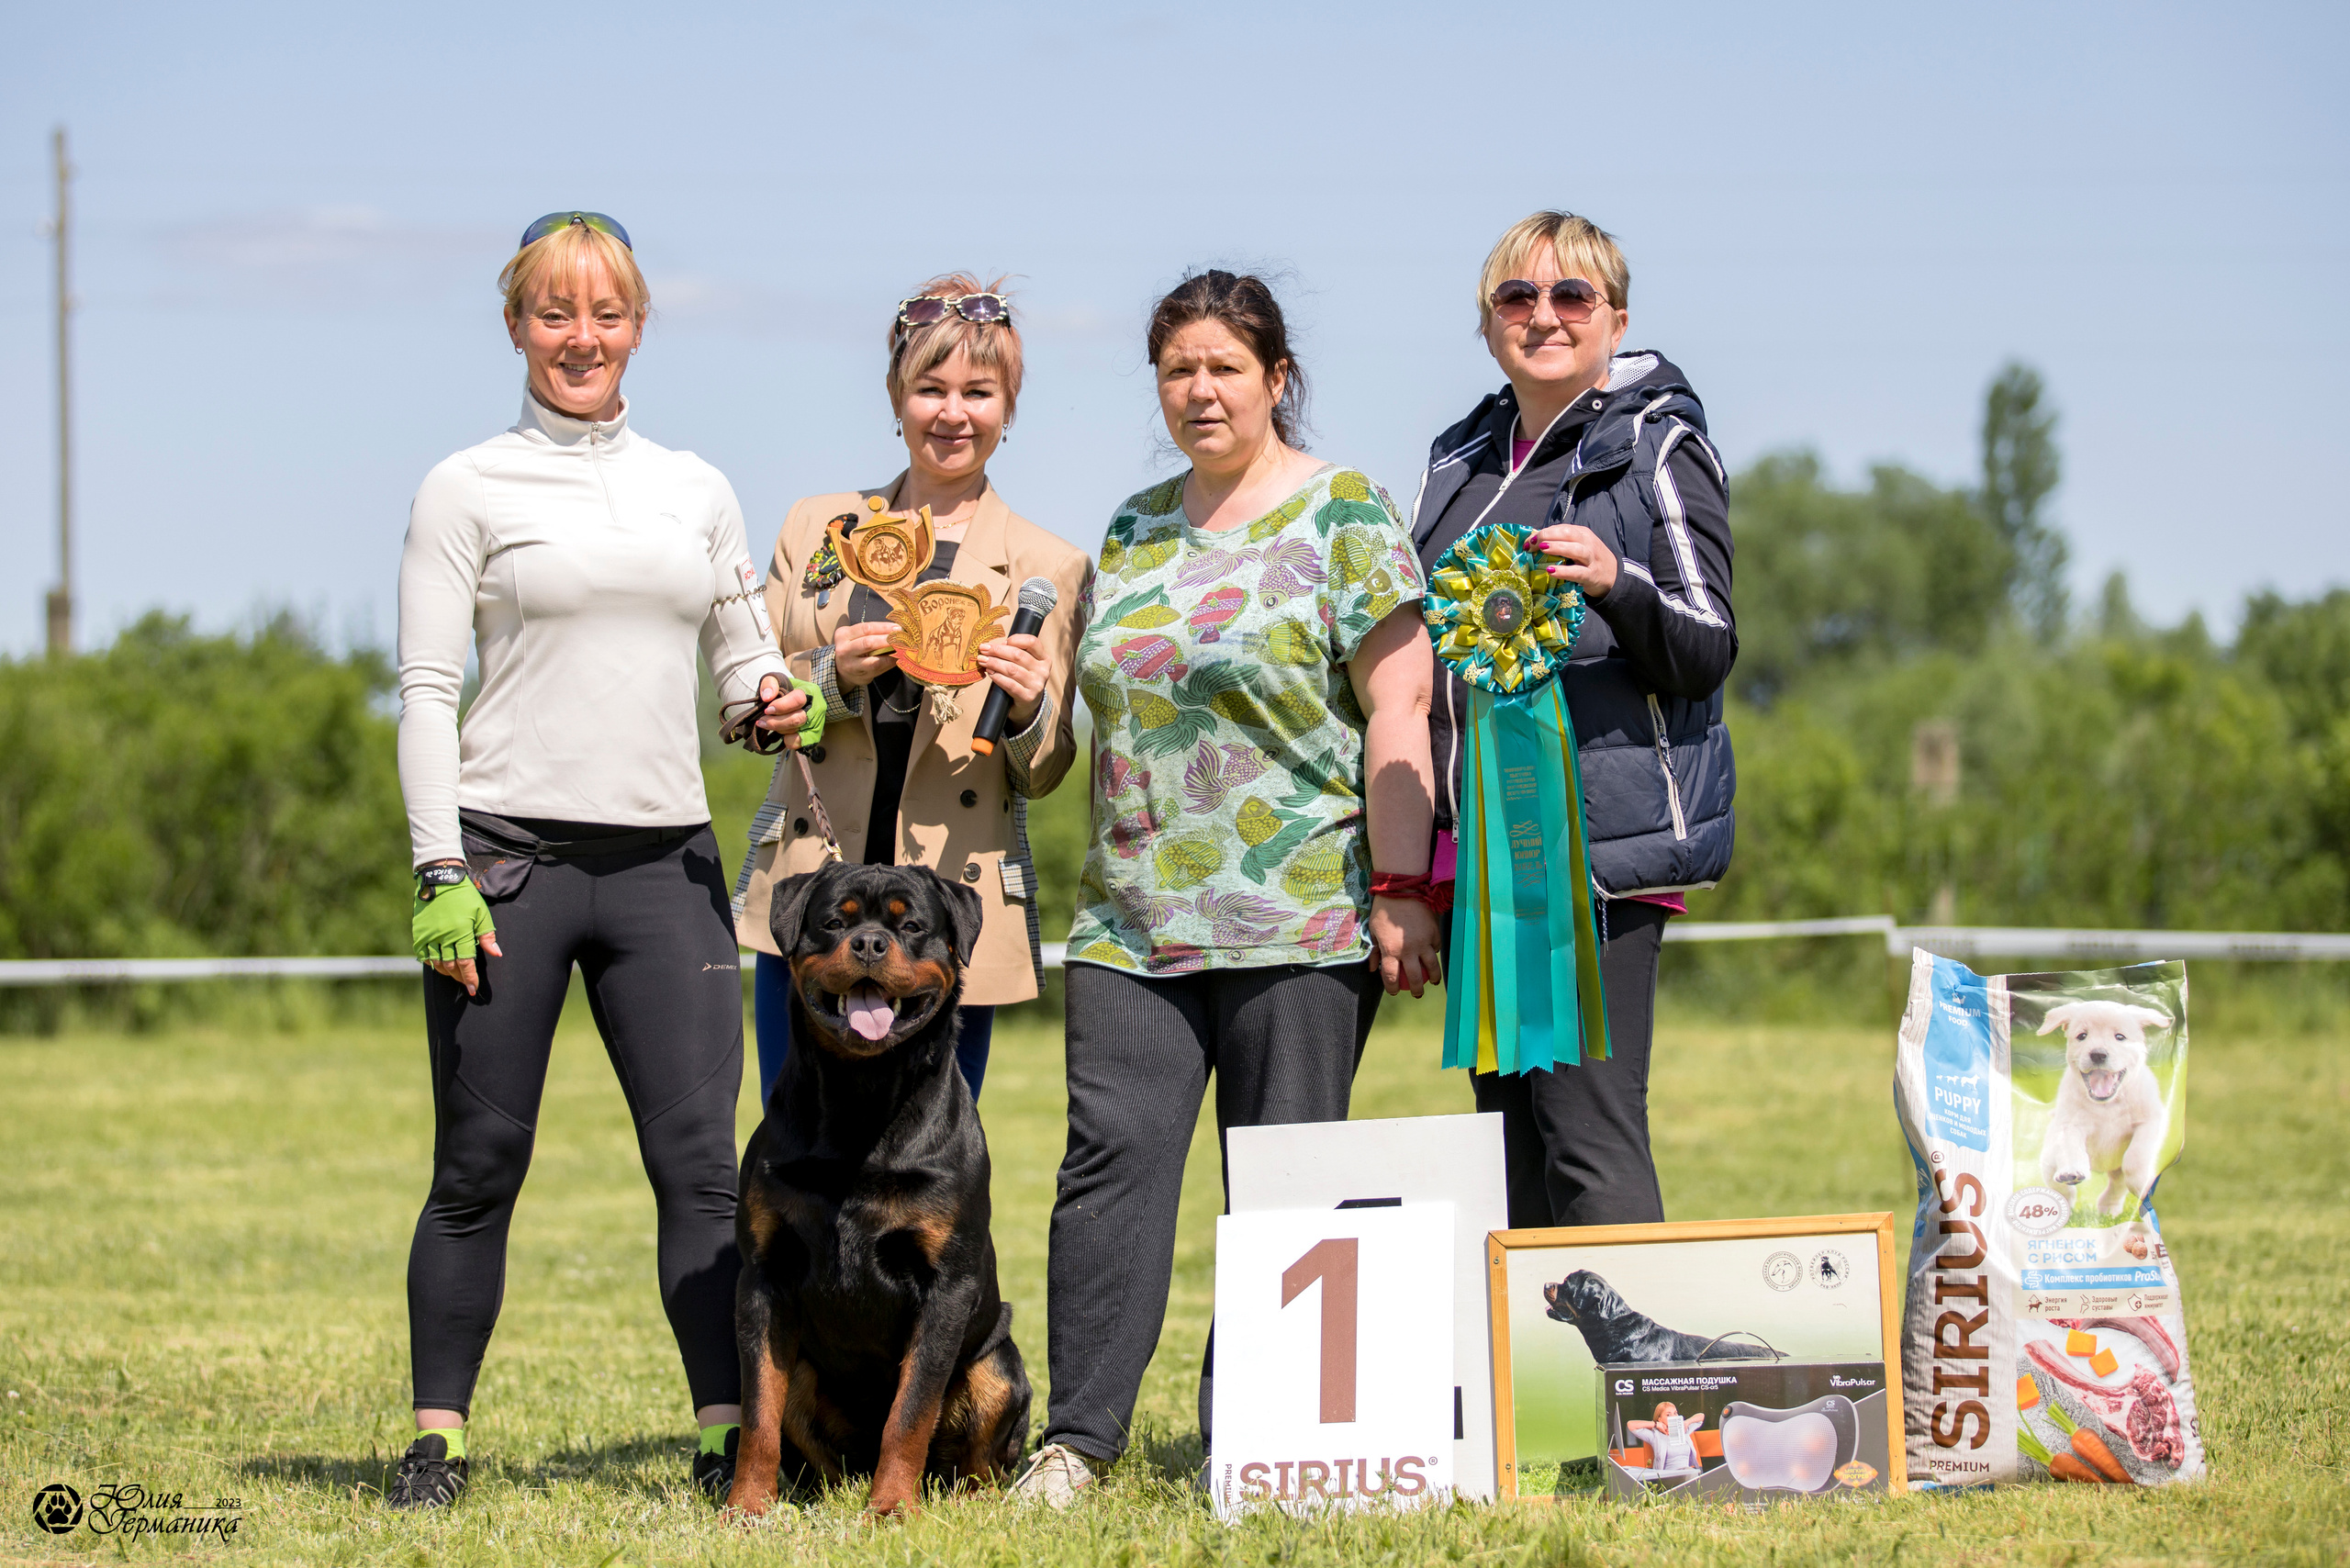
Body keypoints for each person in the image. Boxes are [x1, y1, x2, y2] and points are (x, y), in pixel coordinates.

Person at [391, 211, 805, 1509]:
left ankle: (723, 1435)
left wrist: (770, 696)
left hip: (661, 870)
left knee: (697, 1169)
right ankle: (436, 1439)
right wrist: (438, 870)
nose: (582, 337)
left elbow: (743, 664)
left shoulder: (698, 487)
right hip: (505, 865)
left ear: (638, 326)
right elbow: (422, 688)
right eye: (555, 312)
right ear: (515, 325)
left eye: (606, 312)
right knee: (477, 1164)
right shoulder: (465, 486)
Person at [1014, 270, 1441, 1506]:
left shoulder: (1344, 514)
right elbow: (1082, 721)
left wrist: (1404, 887)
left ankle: (1251, 1435)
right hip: (1129, 918)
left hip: (1304, 915)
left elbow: (1399, 706)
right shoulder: (1133, 527)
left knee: (1282, 1183)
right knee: (1108, 1165)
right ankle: (1078, 1445)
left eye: (1224, 367)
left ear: (1276, 378)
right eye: (1178, 370)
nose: (1200, 390)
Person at [1411, 210, 1737, 1231]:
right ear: (1486, 321)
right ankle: (1533, 1390)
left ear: (1615, 317)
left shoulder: (1657, 444)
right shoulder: (1457, 459)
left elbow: (1707, 640)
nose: (1541, 316)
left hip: (1593, 851)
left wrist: (1617, 583)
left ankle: (1638, 1392)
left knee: (1587, 1135)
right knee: (1504, 1148)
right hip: (1475, 857)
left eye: (1570, 296)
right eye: (1516, 297)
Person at [732, 275, 1090, 1105]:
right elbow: (756, 704)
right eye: (930, 389)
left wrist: (1031, 706)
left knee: (930, 1161)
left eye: (978, 391)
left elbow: (1045, 768)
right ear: (896, 396)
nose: (952, 413)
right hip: (812, 894)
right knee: (795, 1147)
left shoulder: (1050, 565)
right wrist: (829, 677)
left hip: (946, 911)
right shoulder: (815, 526)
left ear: (1009, 407)